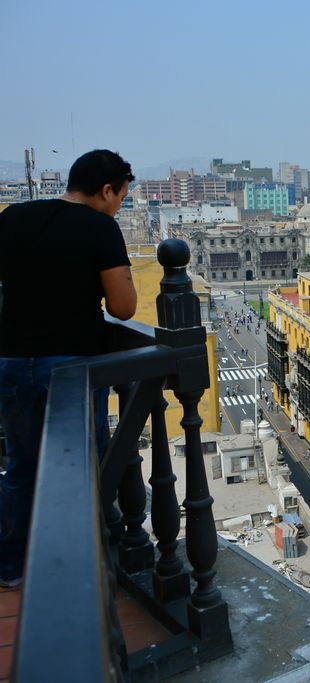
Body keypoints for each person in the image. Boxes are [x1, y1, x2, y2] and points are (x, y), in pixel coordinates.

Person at [0, 150, 136, 588]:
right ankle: (72, 571)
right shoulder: (100, 227)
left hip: (12, 360)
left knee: (20, 466)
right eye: (121, 197)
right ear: (106, 189)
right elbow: (123, 306)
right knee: (78, 468)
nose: (119, 206)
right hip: (70, 366)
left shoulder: (15, 216)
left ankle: (12, 567)